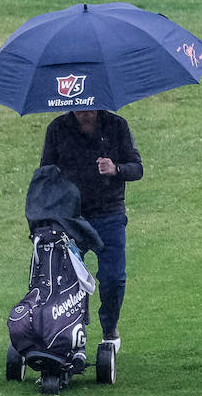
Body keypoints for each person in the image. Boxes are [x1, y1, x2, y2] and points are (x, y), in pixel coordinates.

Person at [40, 109, 143, 352]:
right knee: (65, 280)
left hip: (110, 214)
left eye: (89, 107)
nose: (85, 113)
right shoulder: (57, 129)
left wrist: (116, 169)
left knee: (113, 278)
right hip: (71, 217)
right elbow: (45, 173)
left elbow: (137, 168)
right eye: (80, 108)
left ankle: (110, 328)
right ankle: (72, 333)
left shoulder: (117, 126)